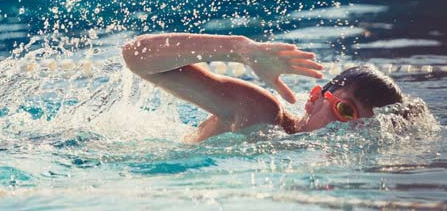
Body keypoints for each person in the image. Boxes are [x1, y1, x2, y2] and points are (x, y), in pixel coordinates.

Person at [122, 33, 403, 143]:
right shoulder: (261, 113)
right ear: (314, 98)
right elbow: (136, 56)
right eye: (345, 111)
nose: (347, 132)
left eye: (363, 128)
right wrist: (238, 49)